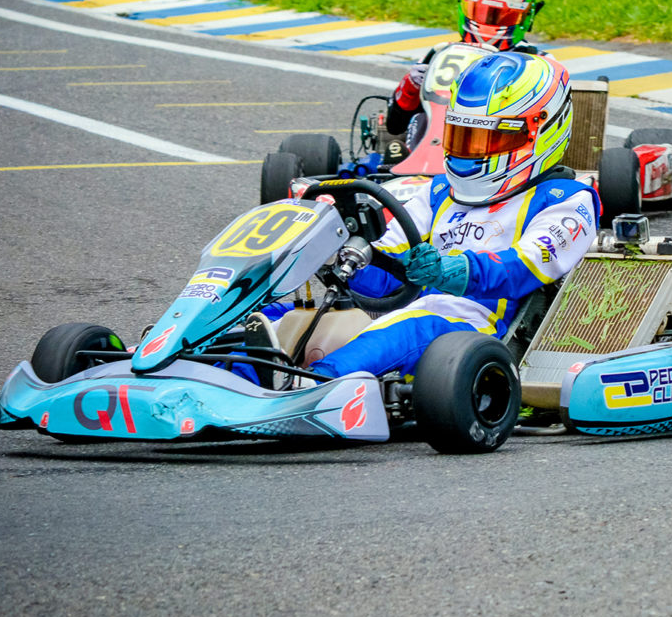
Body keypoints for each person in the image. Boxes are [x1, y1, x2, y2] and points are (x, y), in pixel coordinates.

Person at [253, 51, 598, 382]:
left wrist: (456, 271)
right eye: (464, 136)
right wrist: (342, 249)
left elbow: (525, 267)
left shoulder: (569, 201)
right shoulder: (438, 192)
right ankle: (224, 375)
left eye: (486, 139)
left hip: (474, 329)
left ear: (540, 131)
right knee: (278, 318)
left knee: (410, 327)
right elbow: (382, 274)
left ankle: (313, 387)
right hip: (406, 313)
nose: (470, 152)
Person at [385, 0, 542, 143]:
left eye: (503, 16)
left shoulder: (536, 62)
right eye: (481, 11)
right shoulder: (441, 54)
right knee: (415, 123)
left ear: (525, 16)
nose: (489, 22)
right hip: (437, 143)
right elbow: (394, 126)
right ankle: (419, 158)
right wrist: (411, 86)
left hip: (499, 147)